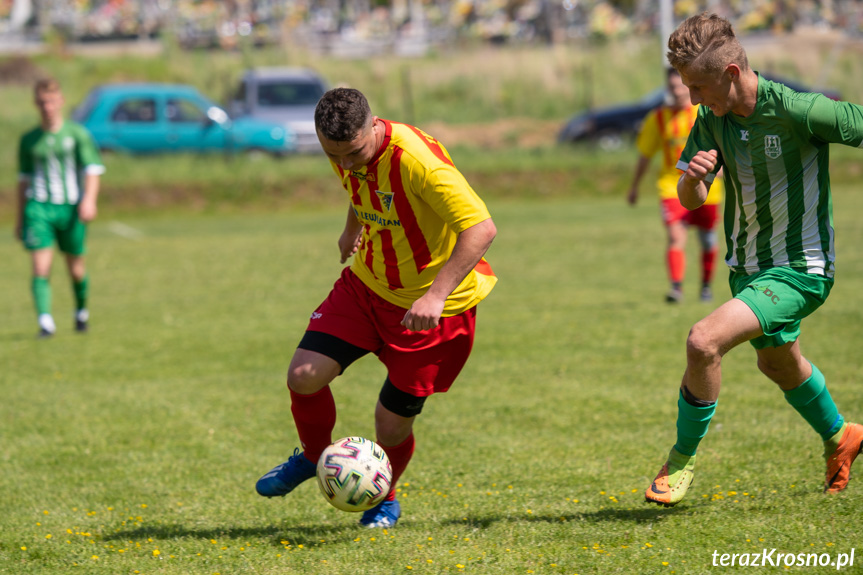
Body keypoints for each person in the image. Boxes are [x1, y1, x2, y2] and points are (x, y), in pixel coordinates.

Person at [645, 13, 863, 507]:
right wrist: (693, 177)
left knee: (703, 342)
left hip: (801, 269)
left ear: (732, 74)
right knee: (779, 365)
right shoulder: (710, 120)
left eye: (699, 86)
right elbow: (691, 198)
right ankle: (841, 436)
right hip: (747, 270)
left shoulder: (800, 110)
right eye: (687, 87)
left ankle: (679, 461)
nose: (694, 99)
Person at [255, 88, 497, 527]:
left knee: (390, 426)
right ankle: (313, 457)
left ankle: (384, 498)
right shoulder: (344, 148)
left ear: (374, 124)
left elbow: (481, 228)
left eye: (354, 152)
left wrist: (436, 295)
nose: (345, 164)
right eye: (334, 155)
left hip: (433, 311)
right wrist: (354, 225)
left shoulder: (418, 161)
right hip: (367, 286)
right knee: (303, 376)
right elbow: (363, 184)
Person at [16, 77, 105, 338]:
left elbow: (93, 169)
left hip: (70, 209)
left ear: (61, 101)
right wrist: (20, 217)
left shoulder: (76, 134)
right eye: (42, 102)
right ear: (36, 104)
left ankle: (81, 312)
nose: (47, 107)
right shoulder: (29, 140)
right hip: (39, 209)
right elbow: (23, 181)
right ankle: (46, 322)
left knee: (76, 268)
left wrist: (89, 200)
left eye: (52, 101)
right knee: (40, 268)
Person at [627, 67, 724, 303]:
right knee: (675, 237)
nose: (677, 91)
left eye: (681, 86)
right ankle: (676, 288)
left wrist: (721, 169)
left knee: (708, 240)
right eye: (672, 87)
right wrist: (634, 187)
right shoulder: (658, 118)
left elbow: (724, 144)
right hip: (671, 186)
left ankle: (705, 288)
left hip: (707, 188)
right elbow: (645, 155)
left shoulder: (705, 113)